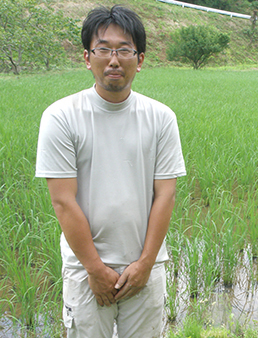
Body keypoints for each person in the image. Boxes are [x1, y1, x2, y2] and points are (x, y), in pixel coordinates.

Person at [35, 5, 186, 338]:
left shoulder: (161, 118)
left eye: (124, 50)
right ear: (87, 57)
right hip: (85, 269)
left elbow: (165, 194)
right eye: (103, 49)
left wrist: (146, 263)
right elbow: (63, 201)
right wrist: (94, 268)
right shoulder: (61, 117)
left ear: (140, 59)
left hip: (146, 268)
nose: (114, 59)